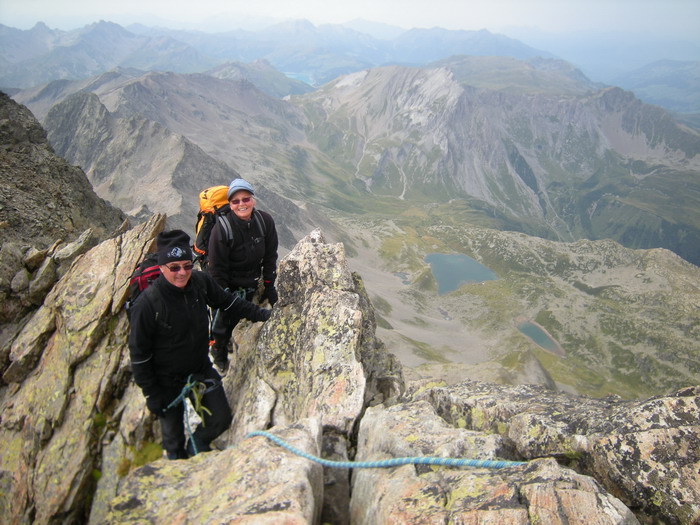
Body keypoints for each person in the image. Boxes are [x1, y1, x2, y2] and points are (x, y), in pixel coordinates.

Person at [128, 229, 272, 460]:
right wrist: (151, 394)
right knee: (173, 445)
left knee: (220, 420)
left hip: (199, 369)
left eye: (187, 265)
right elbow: (139, 355)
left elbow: (228, 303)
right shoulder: (147, 305)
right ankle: (181, 470)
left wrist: (262, 315)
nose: (182, 272)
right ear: (163, 268)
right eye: (174, 267)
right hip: (166, 383)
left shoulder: (200, 282)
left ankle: (197, 445)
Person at [207, 178, 279, 372]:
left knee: (240, 320)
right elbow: (216, 270)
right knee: (222, 325)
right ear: (230, 205)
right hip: (227, 285)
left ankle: (231, 340)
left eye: (245, 199)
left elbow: (270, 256)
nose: (241, 204)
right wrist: (225, 296)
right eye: (235, 201)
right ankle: (219, 352)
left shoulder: (264, 221)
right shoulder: (221, 229)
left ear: (253, 200)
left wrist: (269, 284)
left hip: (252, 281)